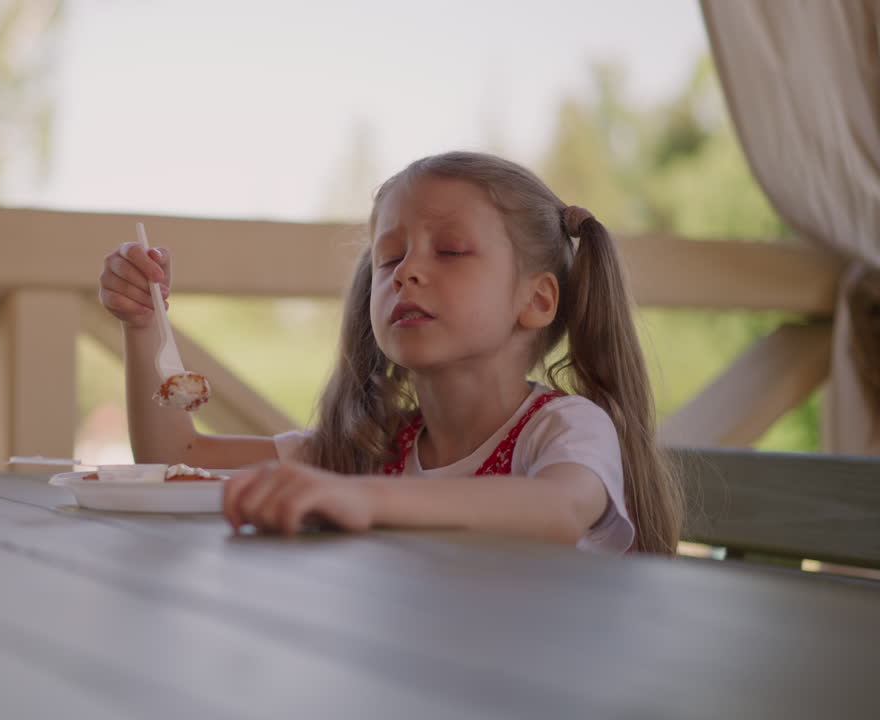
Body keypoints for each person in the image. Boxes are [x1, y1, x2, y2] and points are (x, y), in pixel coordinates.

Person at [98, 151, 684, 554]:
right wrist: (144, 322)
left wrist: (355, 496)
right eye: (389, 258)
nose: (407, 273)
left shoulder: (564, 430)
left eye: (451, 250)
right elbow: (176, 453)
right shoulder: (372, 448)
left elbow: (557, 509)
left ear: (536, 300)